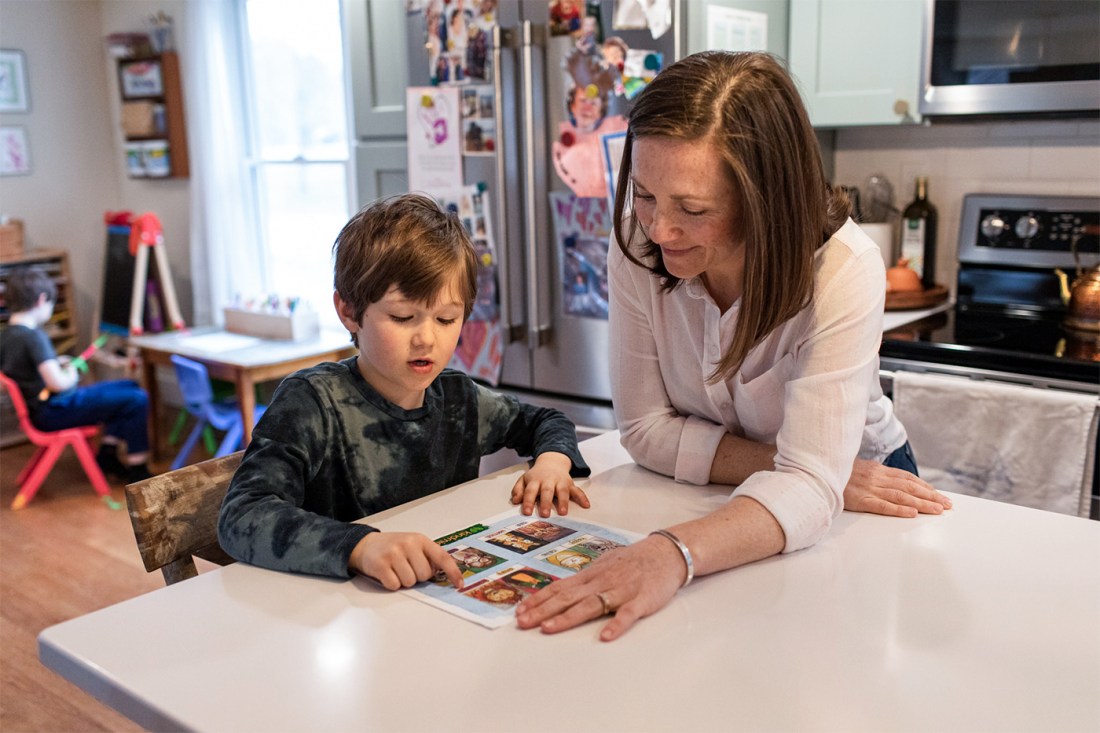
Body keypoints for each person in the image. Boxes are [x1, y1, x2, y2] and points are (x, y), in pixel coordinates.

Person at [515, 51, 951, 640]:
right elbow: (643, 429)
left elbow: (810, 488)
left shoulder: (844, 269)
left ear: (765, 202)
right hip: (819, 479)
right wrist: (806, 472)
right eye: (643, 194)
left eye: (692, 209)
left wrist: (671, 553)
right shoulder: (637, 243)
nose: (657, 229)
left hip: (868, 480)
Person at [217, 193, 592, 589]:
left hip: (427, 595)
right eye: (402, 317)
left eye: (447, 318)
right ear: (348, 311)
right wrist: (359, 547)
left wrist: (552, 460)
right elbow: (242, 515)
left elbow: (544, 421)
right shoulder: (312, 402)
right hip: (337, 613)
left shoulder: (459, 399)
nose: (427, 338)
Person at [0, 267, 152, 482]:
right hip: (55, 411)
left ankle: (108, 454)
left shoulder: (7, 336)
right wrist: (70, 372)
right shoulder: (34, 338)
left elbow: (20, 372)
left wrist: (56, 363)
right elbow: (59, 384)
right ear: (42, 300)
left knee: (128, 386)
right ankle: (139, 470)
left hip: (42, 409)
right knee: (137, 398)